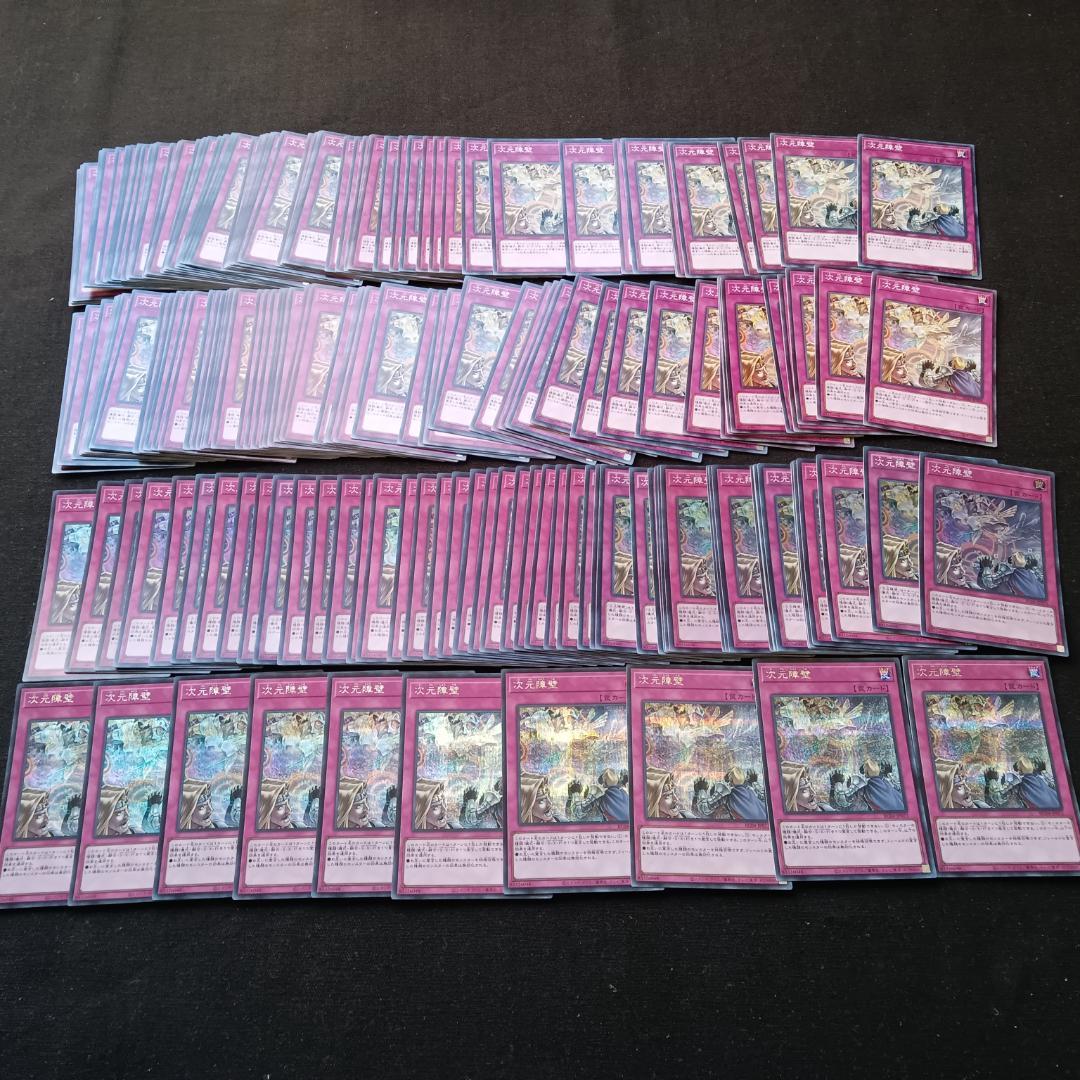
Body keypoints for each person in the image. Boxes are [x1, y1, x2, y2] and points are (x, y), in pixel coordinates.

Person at [828, 760, 906, 812]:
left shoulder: (865, 792)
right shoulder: (890, 784)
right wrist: (889, 774)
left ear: (866, 774)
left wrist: (836, 784)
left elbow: (841, 807)